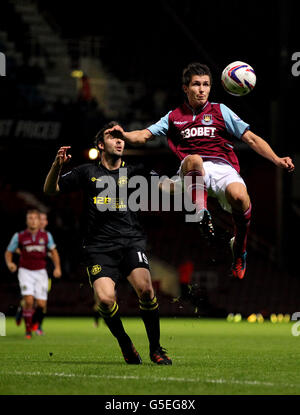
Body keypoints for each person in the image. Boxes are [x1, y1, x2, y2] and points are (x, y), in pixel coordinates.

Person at [106, 62, 295, 280]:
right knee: (194, 159)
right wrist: (124, 135)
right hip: (192, 171)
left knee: (240, 198)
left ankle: (239, 250)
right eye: (196, 84)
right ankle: (201, 213)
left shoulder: (221, 111)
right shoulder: (173, 117)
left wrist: (277, 159)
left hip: (223, 168)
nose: (202, 89)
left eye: (206, 84)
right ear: (185, 88)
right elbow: (143, 136)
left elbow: (251, 138)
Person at [43, 121, 172, 365]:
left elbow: (168, 186)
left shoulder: (136, 171)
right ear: (101, 145)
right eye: (113, 136)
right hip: (98, 248)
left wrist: (191, 179)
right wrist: (56, 167)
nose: (119, 140)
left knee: (146, 290)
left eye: (121, 136)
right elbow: (51, 190)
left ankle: (156, 348)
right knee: (105, 300)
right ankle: (125, 342)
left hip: (131, 241)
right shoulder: (86, 172)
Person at [5, 209, 62, 338]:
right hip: (25, 271)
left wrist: (57, 268)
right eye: (30, 218)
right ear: (27, 220)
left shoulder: (46, 236)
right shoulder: (19, 236)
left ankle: (30, 318)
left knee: (41, 304)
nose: (33, 220)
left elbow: (54, 252)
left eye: (35, 218)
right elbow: (9, 251)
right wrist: (10, 263)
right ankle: (28, 330)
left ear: (39, 221)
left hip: (41, 272)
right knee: (29, 301)